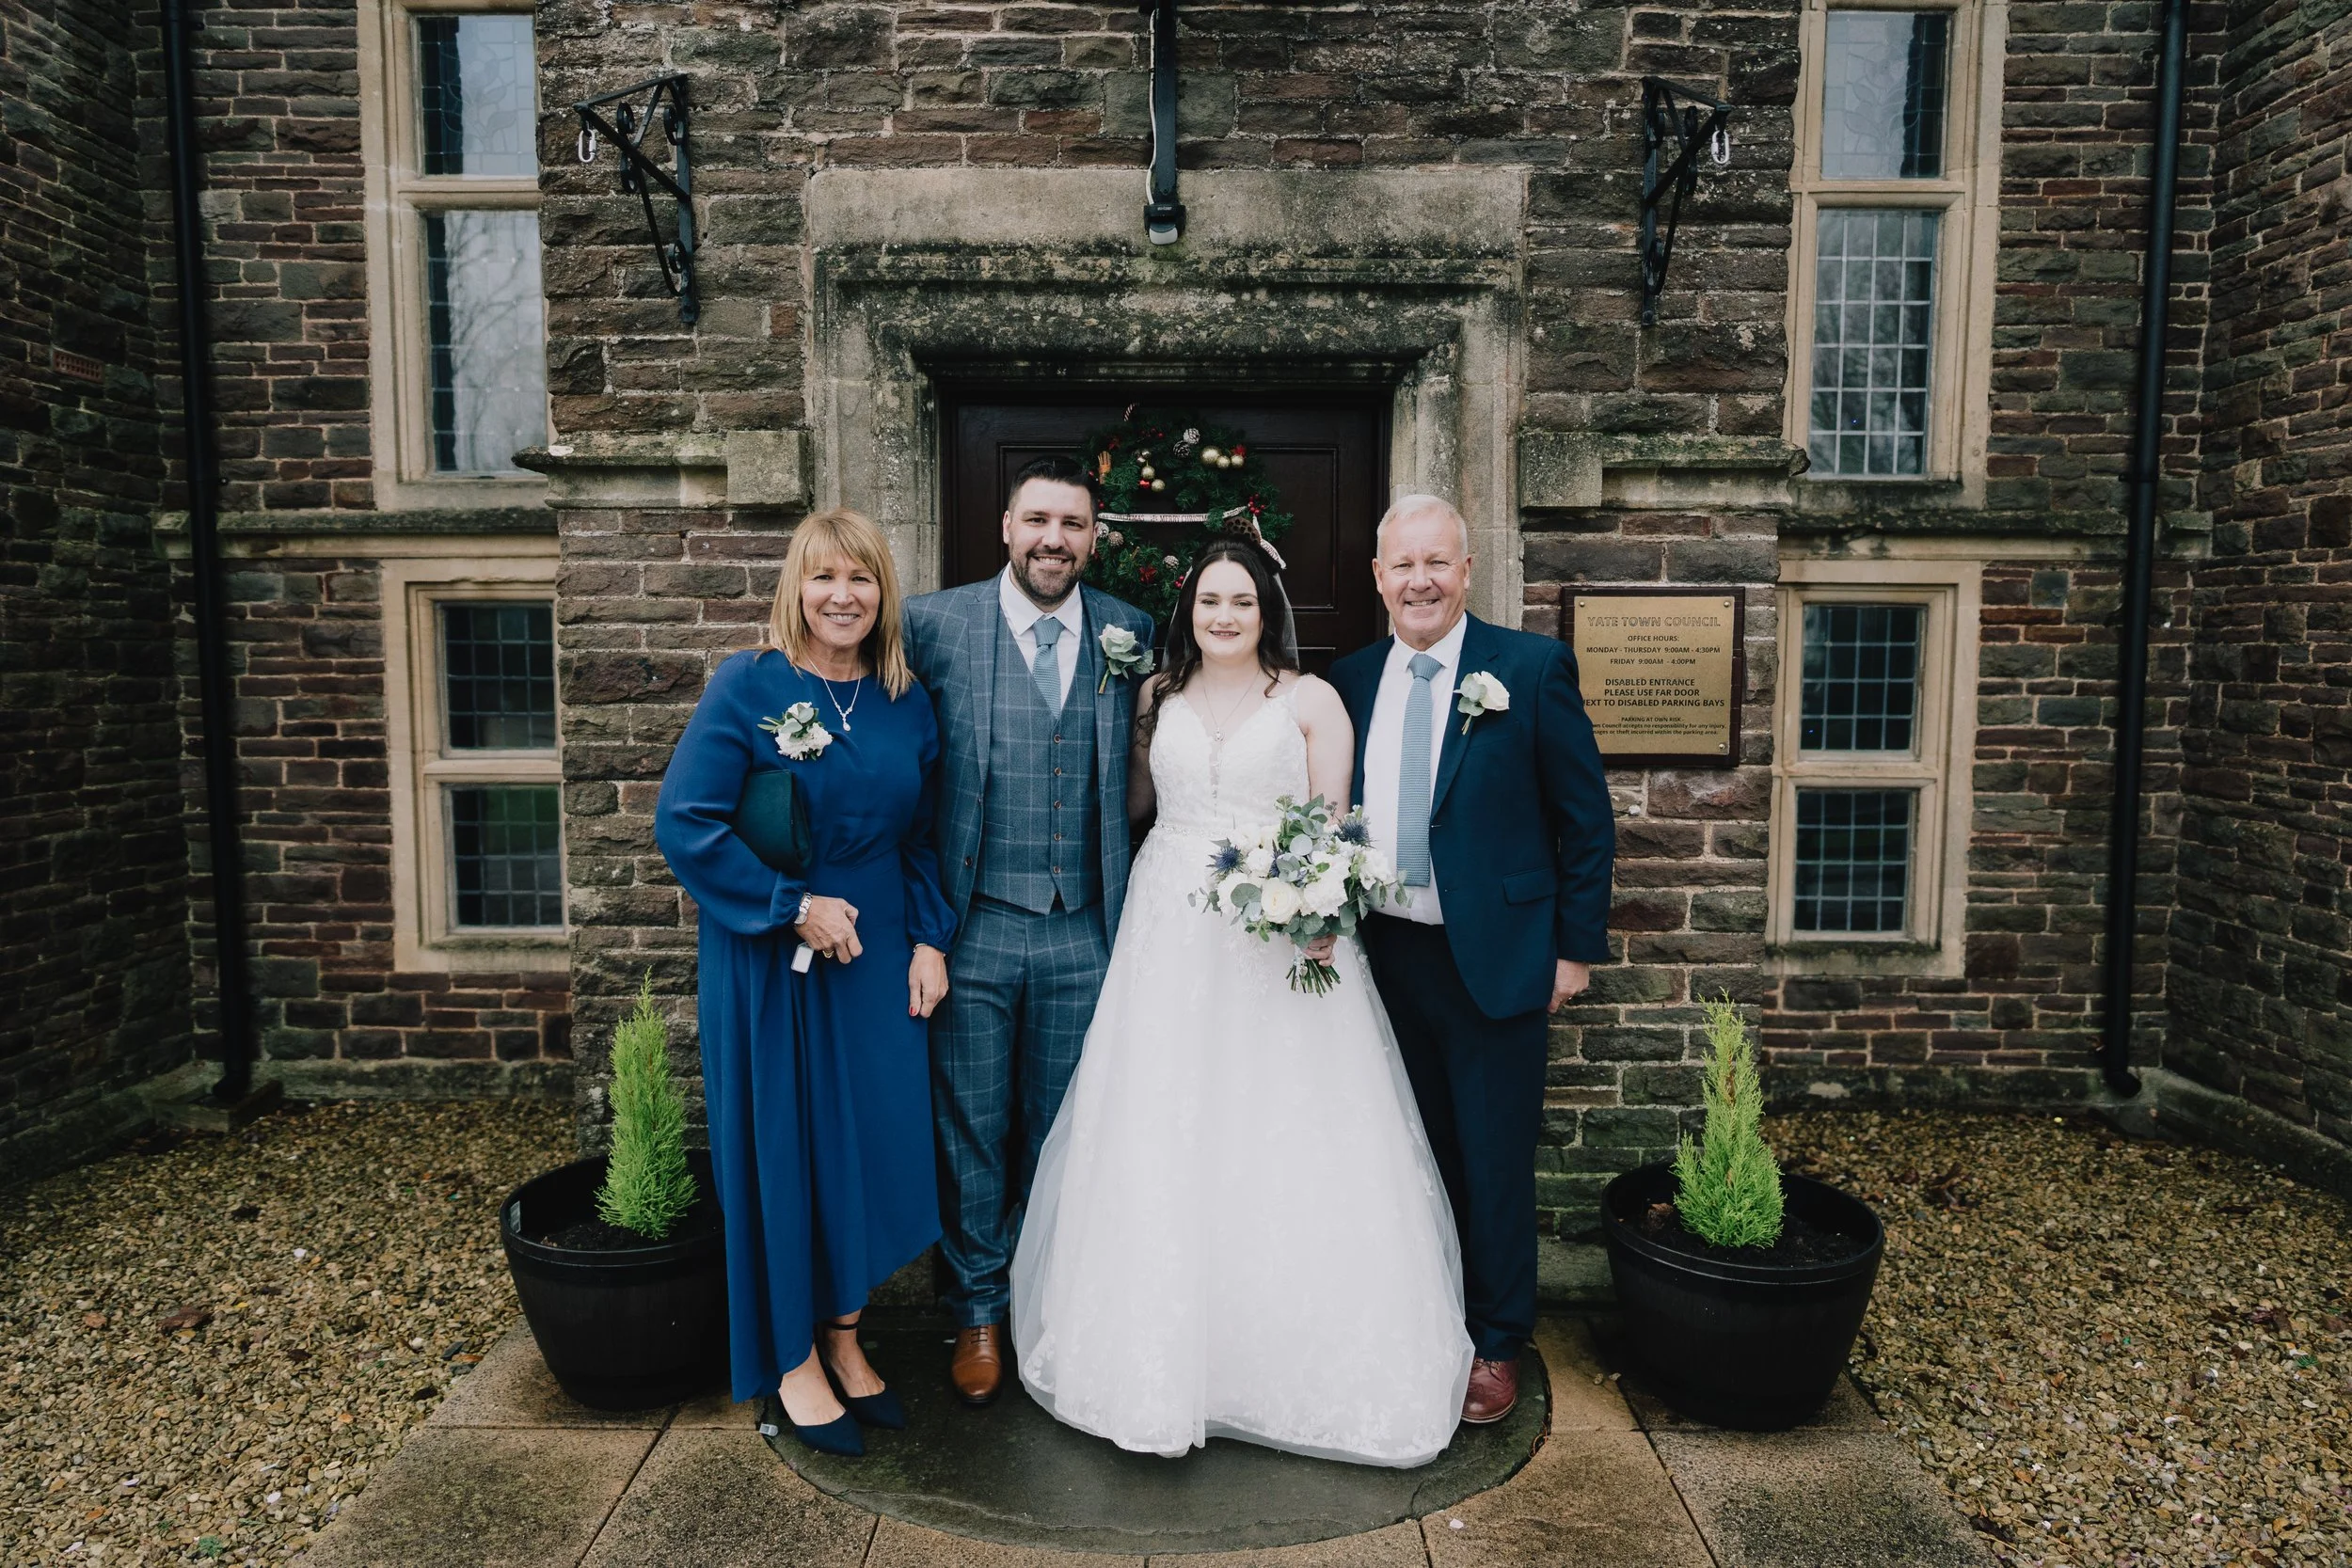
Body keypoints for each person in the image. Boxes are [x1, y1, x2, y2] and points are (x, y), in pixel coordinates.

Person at [1011, 538, 1474, 1466]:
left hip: (1275, 935)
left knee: (1282, 1121)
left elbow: (1333, 825)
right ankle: (1158, 1358)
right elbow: (1133, 804)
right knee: (1163, 1120)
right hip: (1167, 926)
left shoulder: (1310, 700)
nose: (1224, 616)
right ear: (1189, 610)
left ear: (1268, 612)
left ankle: (1282, 1361)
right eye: (1210, 601)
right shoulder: (1156, 695)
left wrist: (1321, 909)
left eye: (1242, 602)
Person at [654, 507, 957, 1459]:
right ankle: (790, 1356)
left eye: (860, 577)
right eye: (824, 576)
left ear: (882, 592)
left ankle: (845, 1334)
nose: (842, 595)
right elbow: (685, 820)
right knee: (789, 1145)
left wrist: (930, 939)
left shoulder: (906, 699)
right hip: (773, 952)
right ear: (797, 586)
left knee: (872, 1141)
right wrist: (792, 904)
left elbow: (921, 837)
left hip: (878, 954)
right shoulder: (749, 683)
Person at [1327, 494, 1615, 1428]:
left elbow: (1585, 821)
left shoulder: (1528, 669)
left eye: (1436, 562)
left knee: (1492, 1160)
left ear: (1466, 569)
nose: (1420, 581)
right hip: (1384, 958)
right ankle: (1423, 1322)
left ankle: (1496, 1339)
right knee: (1406, 1154)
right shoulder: (1349, 680)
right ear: (1378, 578)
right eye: (1403, 565)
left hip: (1496, 958)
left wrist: (1573, 950)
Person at [902, 454, 1158, 1406]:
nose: (1055, 539)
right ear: (1006, 526)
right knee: (971, 1123)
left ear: (1094, 537)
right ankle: (977, 1306)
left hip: (1084, 926)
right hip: (969, 926)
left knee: (1068, 1130)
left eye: (1074, 524)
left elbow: (1144, 768)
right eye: (1039, 520)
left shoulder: (1129, 629)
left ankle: (1052, 1302)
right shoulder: (934, 625)